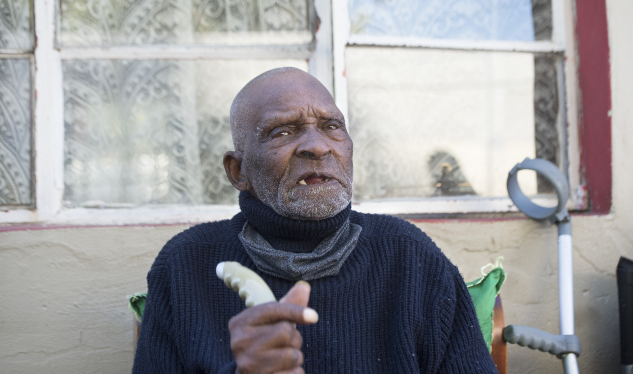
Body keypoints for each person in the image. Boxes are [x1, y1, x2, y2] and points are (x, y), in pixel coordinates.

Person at [132, 67, 497, 373]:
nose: (318, 146)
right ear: (238, 170)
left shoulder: (410, 256)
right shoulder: (186, 264)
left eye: (331, 126)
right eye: (283, 131)